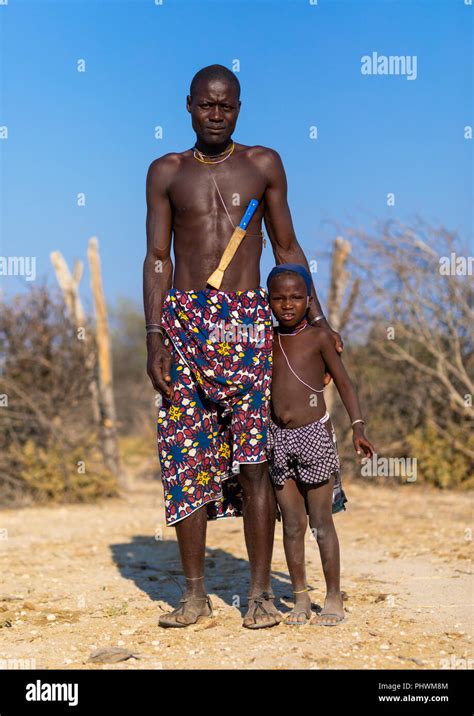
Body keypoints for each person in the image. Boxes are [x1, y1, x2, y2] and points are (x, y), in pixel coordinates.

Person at [143, 64, 342, 629]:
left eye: (225, 105)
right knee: (184, 460)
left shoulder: (263, 164)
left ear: (239, 108)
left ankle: (257, 595)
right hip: (185, 326)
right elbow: (158, 257)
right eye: (205, 105)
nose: (215, 114)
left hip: (247, 325)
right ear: (187, 106)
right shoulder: (166, 171)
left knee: (255, 462)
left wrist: (319, 326)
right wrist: (154, 334)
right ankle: (194, 596)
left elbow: (287, 243)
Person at [266, 264, 375, 626]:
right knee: (292, 524)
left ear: (308, 300)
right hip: (277, 438)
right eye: (279, 298)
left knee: (321, 522)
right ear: (268, 301)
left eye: (296, 297)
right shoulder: (265, 339)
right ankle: (299, 598)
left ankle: (332, 595)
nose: (287, 304)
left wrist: (358, 428)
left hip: (313, 434)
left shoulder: (319, 338)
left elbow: (344, 384)